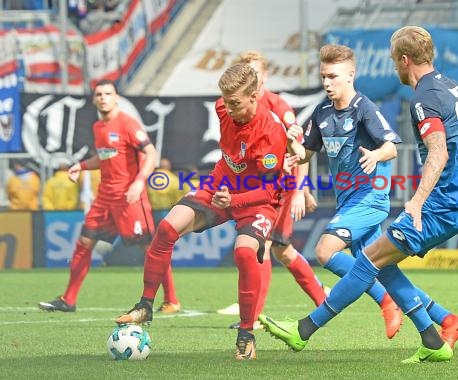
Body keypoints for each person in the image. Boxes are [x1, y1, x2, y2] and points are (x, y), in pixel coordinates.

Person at [259, 27, 458, 364]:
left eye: (393, 61)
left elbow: (438, 153)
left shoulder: (423, 98)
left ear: (404, 60)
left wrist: (416, 202)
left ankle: (303, 331)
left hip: (442, 204)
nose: (394, 68)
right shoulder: (456, 88)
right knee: (381, 263)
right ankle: (438, 330)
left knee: (368, 262)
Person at [116, 63, 288, 360]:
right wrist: (221, 194)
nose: (229, 110)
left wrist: (233, 202)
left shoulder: (271, 134)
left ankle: (246, 334)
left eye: (236, 103)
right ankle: (145, 305)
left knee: (245, 253)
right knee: (167, 228)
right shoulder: (223, 107)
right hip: (219, 184)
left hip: (257, 199)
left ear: (254, 95)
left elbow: (270, 191)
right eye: (226, 102)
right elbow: (229, 154)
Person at [262, 44, 404, 339]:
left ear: (350, 75)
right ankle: (438, 322)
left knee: (325, 251)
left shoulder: (365, 108)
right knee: (381, 267)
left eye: (333, 76)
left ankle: (384, 301)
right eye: (324, 76)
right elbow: (306, 153)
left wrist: (376, 156)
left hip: (369, 196)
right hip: (347, 201)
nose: (327, 83)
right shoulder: (322, 111)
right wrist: (291, 146)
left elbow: (391, 147)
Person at [218, 51, 329, 329]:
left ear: (263, 77)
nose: (251, 78)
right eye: (246, 72)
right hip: (256, 188)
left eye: (254, 73)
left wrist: (301, 189)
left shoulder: (279, 106)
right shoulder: (235, 108)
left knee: (264, 246)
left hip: (279, 187)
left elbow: (300, 150)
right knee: (282, 249)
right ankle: (323, 301)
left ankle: (253, 316)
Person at [38, 79, 165, 313]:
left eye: (108, 93)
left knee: (150, 249)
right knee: (84, 244)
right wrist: (81, 165)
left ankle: (171, 300)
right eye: (99, 94)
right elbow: (104, 157)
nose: (103, 98)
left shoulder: (128, 124)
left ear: (117, 97)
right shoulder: (99, 127)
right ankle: (69, 300)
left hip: (129, 198)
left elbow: (151, 153)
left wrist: (138, 182)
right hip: (105, 199)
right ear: (94, 99)